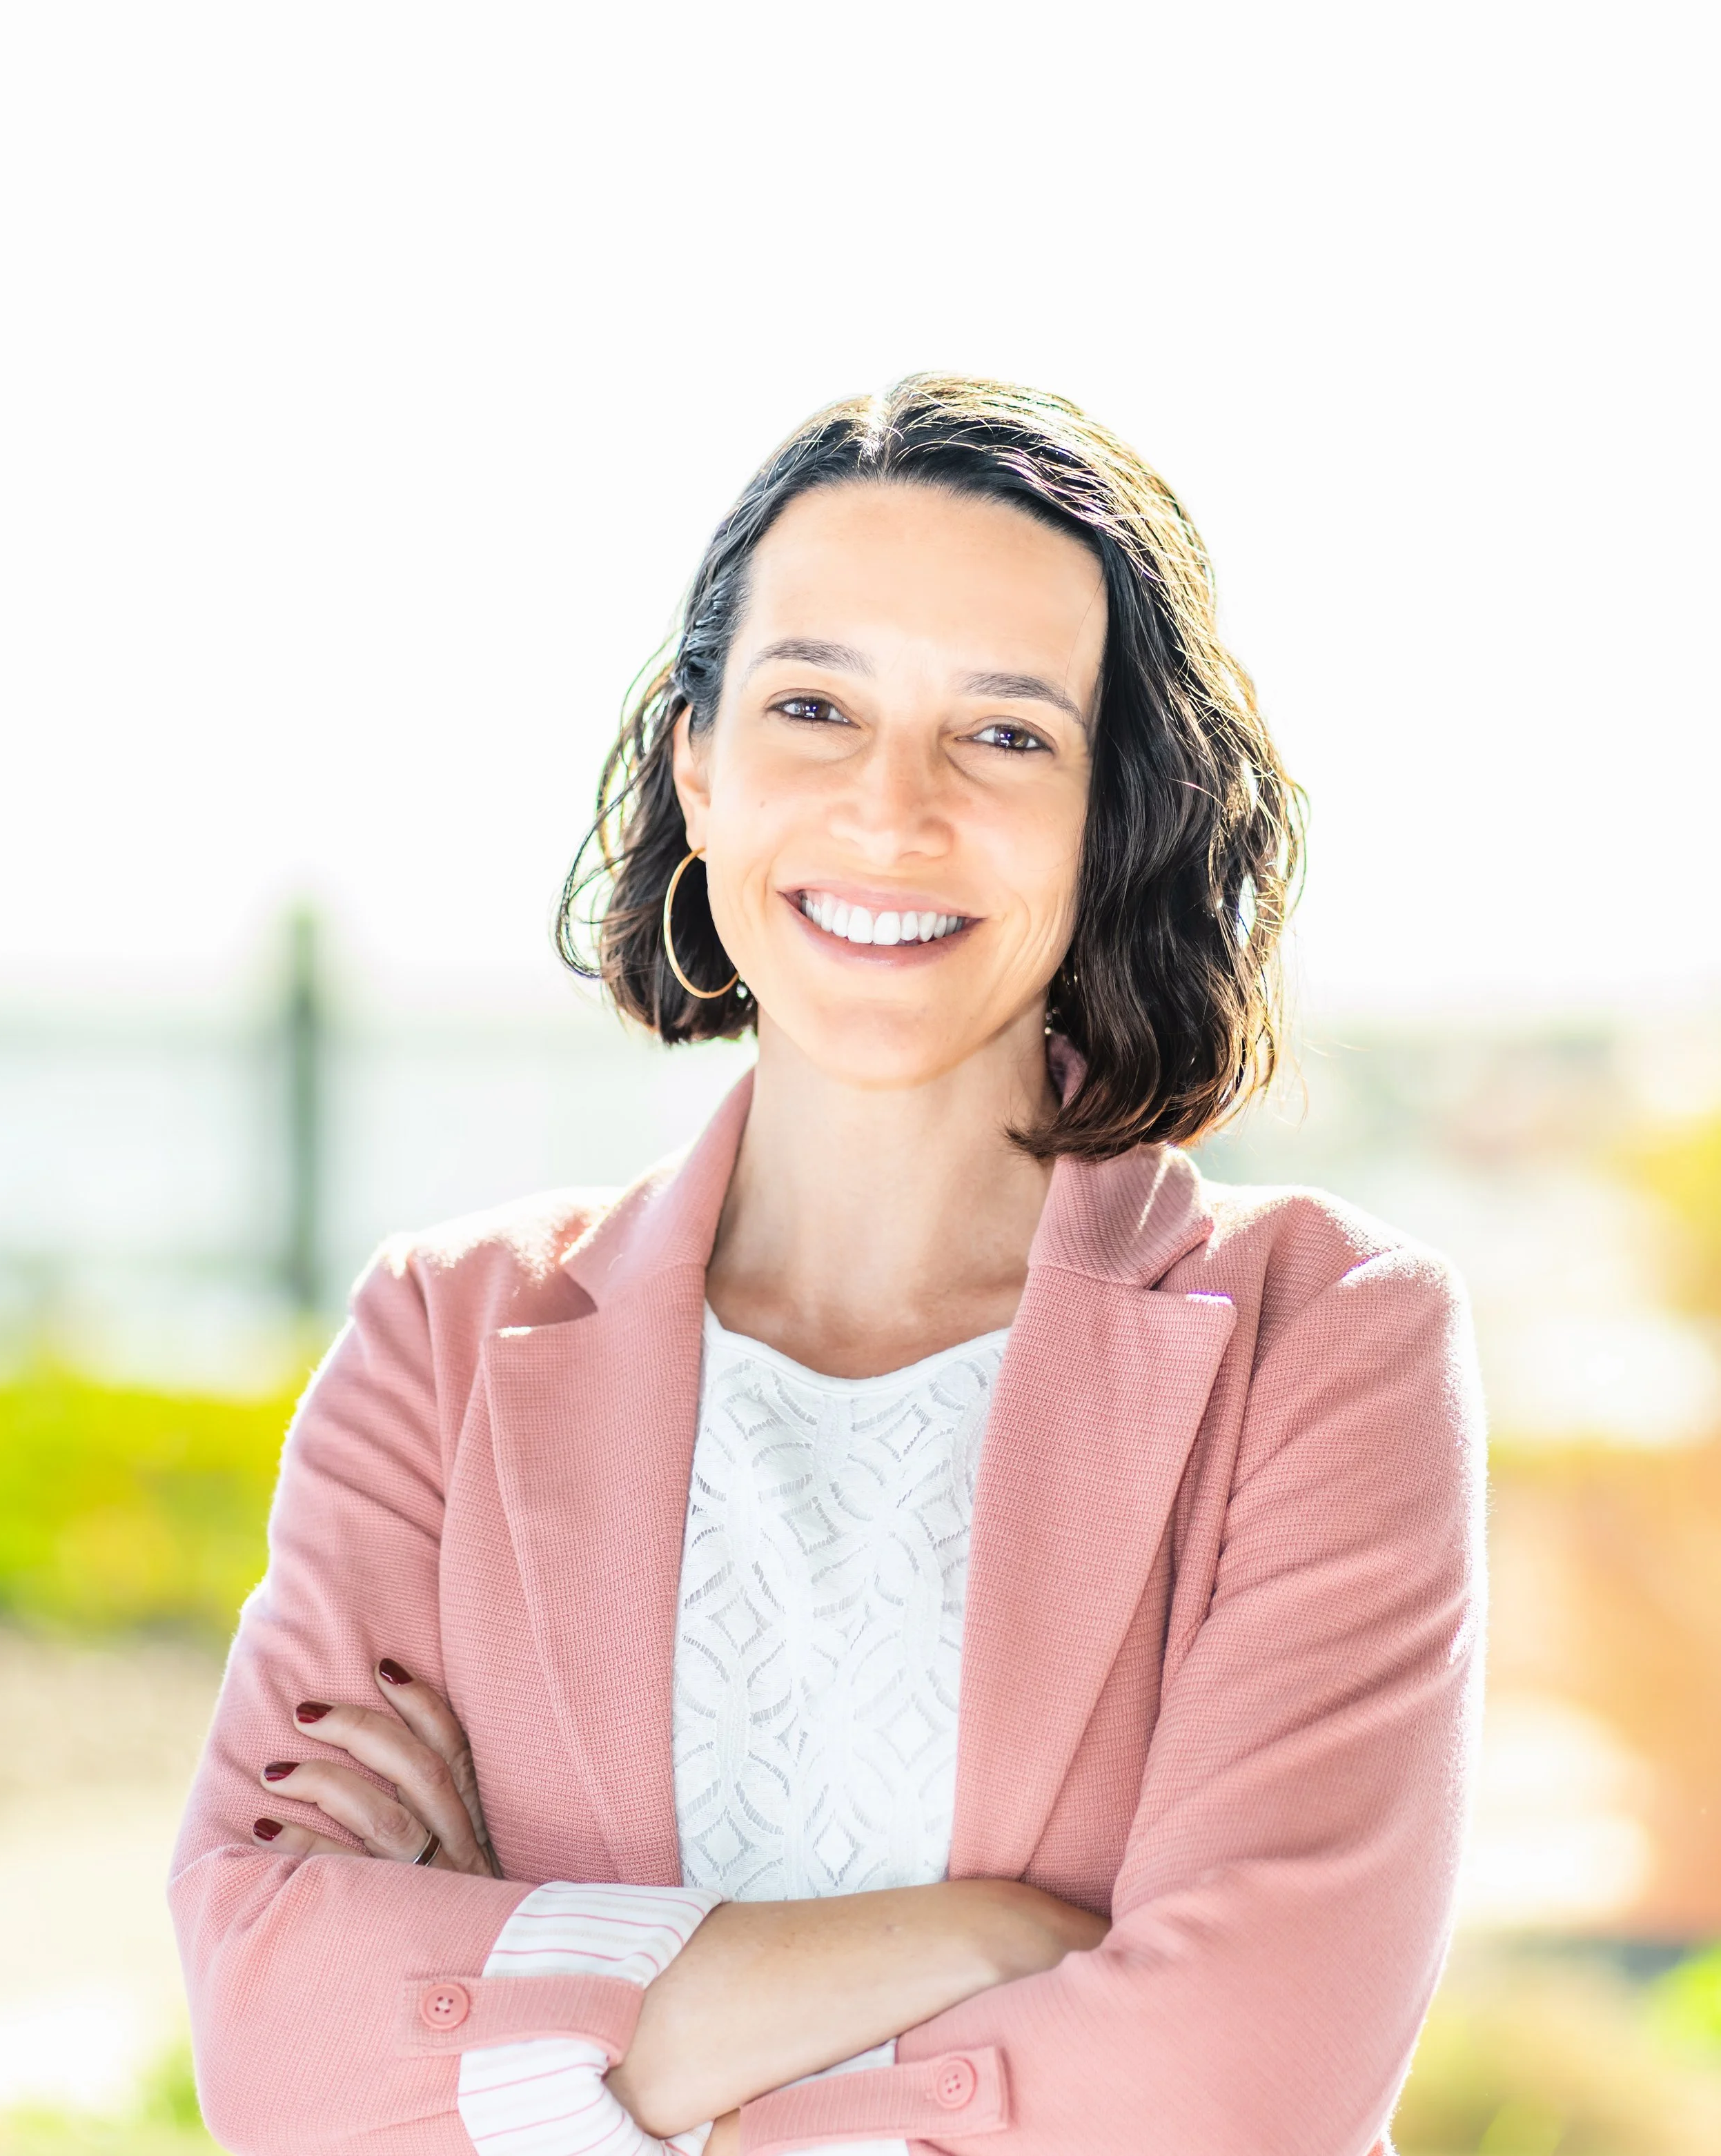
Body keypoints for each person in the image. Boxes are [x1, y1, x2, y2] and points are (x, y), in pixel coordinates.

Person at [170, 375, 1484, 2156]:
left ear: (1117, 822)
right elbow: (276, 2043)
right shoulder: (445, 1337)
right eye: (813, 705)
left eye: (1007, 734)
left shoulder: (1322, 1340)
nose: (892, 810)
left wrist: (541, 2039)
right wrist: (990, 1948)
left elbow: (1238, 2091)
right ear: (697, 764)